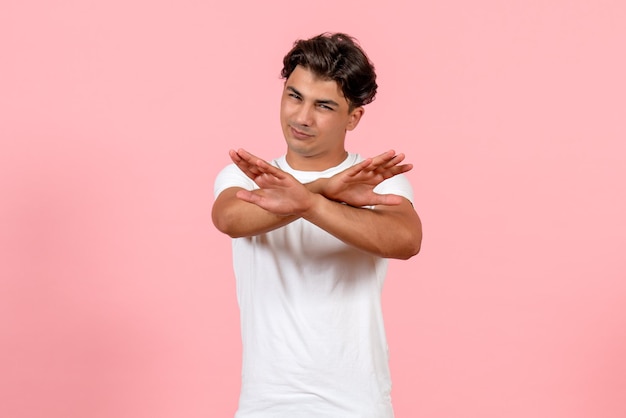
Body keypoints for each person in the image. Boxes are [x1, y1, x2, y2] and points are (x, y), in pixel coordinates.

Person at [212, 32, 422, 418]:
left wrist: (308, 202)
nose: (301, 117)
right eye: (294, 96)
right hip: (266, 405)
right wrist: (324, 190)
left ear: (353, 117)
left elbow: (406, 240)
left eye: (323, 105)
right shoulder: (247, 176)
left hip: (358, 404)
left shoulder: (377, 180)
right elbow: (230, 219)